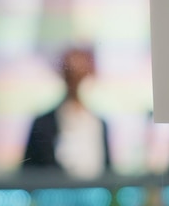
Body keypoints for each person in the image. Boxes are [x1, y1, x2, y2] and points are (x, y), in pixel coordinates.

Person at [23, 46, 111, 179]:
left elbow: (108, 176)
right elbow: (27, 175)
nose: (75, 82)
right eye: (71, 75)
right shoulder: (42, 125)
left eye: (80, 74)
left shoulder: (99, 124)